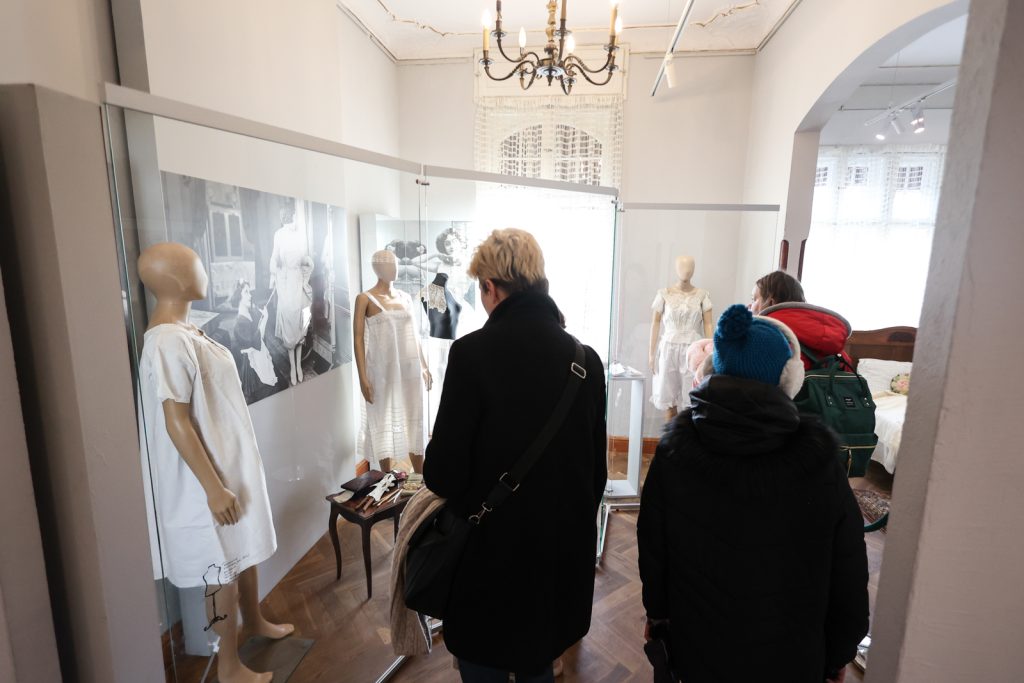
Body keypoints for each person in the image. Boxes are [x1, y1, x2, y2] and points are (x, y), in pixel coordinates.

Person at [637, 304, 869, 683]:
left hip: (697, 649)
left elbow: (653, 548)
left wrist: (658, 615)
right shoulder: (820, 460)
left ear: (711, 369)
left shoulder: (674, 450)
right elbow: (848, 568)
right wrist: (839, 653)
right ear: (789, 379)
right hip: (792, 658)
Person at [422, 228, 607, 683]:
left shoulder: (470, 355)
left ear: (490, 287)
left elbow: (443, 475)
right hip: (557, 558)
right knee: (539, 663)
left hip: (488, 557)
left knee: (482, 664)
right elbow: (596, 476)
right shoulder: (586, 361)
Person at [749, 270, 852, 369]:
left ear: (771, 303)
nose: (749, 306)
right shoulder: (839, 353)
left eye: (753, 299)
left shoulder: (765, 341)